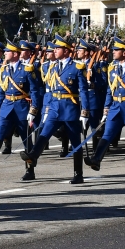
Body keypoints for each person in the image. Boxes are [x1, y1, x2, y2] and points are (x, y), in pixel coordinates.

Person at [20, 36, 90, 183]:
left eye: (57, 49)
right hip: (54, 107)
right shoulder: (52, 67)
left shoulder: (77, 67)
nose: (54, 51)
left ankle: (78, 174)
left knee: (75, 142)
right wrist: (46, 109)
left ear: (65, 51)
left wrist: (85, 112)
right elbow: (50, 90)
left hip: (70, 108)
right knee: (44, 134)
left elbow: (83, 91)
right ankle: (33, 156)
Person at [86, 38, 125, 186]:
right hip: (116, 108)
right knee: (107, 134)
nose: (113, 52)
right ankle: (96, 159)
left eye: (116, 50)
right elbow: (110, 89)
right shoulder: (112, 68)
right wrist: (106, 107)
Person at [0, 39, 42, 176]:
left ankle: (30, 169)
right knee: (0, 133)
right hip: (7, 107)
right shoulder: (5, 70)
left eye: (8, 51)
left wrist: (34, 109)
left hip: (21, 107)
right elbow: (2, 91)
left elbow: (35, 91)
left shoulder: (27, 69)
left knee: (25, 138)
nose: (5, 53)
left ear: (15, 54)